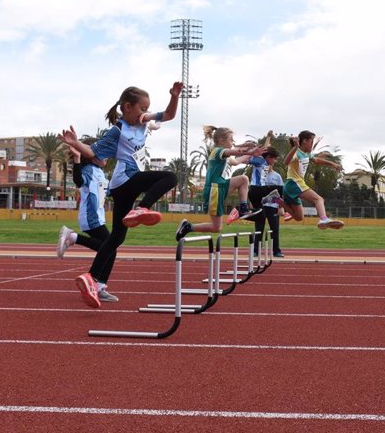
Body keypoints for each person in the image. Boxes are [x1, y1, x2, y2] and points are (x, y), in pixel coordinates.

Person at [58, 81, 183, 308]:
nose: (144, 113)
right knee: (170, 177)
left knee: (116, 237)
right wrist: (75, 143)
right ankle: (142, 207)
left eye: (147, 109)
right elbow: (93, 152)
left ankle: (92, 278)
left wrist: (174, 96)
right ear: (127, 107)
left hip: (122, 186)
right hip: (127, 180)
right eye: (141, 109)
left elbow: (169, 115)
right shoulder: (117, 131)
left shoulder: (143, 121)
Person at [174, 126, 264, 241]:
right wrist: (248, 150)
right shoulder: (218, 151)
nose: (233, 142)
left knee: (243, 179)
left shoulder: (225, 157)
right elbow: (232, 151)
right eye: (231, 140)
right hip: (214, 190)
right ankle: (188, 227)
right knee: (217, 227)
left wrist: (252, 154)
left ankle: (243, 209)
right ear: (221, 140)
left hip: (220, 187)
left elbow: (236, 161)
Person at [56, 144, 119, 302]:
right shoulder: (88, 170)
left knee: (107, 248)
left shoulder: (100, 173)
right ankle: (100, 287)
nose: (106, 157)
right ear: (92, 156)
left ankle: (73, 238)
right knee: (110, 248)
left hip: (98, 216)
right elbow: (78, 181)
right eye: (103, 154)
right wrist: (77, 159)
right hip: (91, 217)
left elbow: (108, 192)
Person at [232, 142, 286, 257]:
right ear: (268, 158)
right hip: (256, 191)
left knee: (266, 223)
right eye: (274, 159)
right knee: (281, 189)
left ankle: (240, 212)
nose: (275, 161)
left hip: (267, 201)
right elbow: (247, 159)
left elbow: (267, 147)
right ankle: (256, 250)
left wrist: (280, 207)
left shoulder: (272, 170)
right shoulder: (260, 161)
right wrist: (246, 153)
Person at [282, 130, 344, 230]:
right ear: (305, 141)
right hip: (294, 183)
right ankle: (323, 219)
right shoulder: (296, 153)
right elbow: (286, 162)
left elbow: (316, 160)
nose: (312, 144)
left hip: (293, 186)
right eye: (311, 141)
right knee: (318, 199)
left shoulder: (307, 154)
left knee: (299, 217)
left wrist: (332, 164)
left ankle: (278, 201)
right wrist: (295, 147)